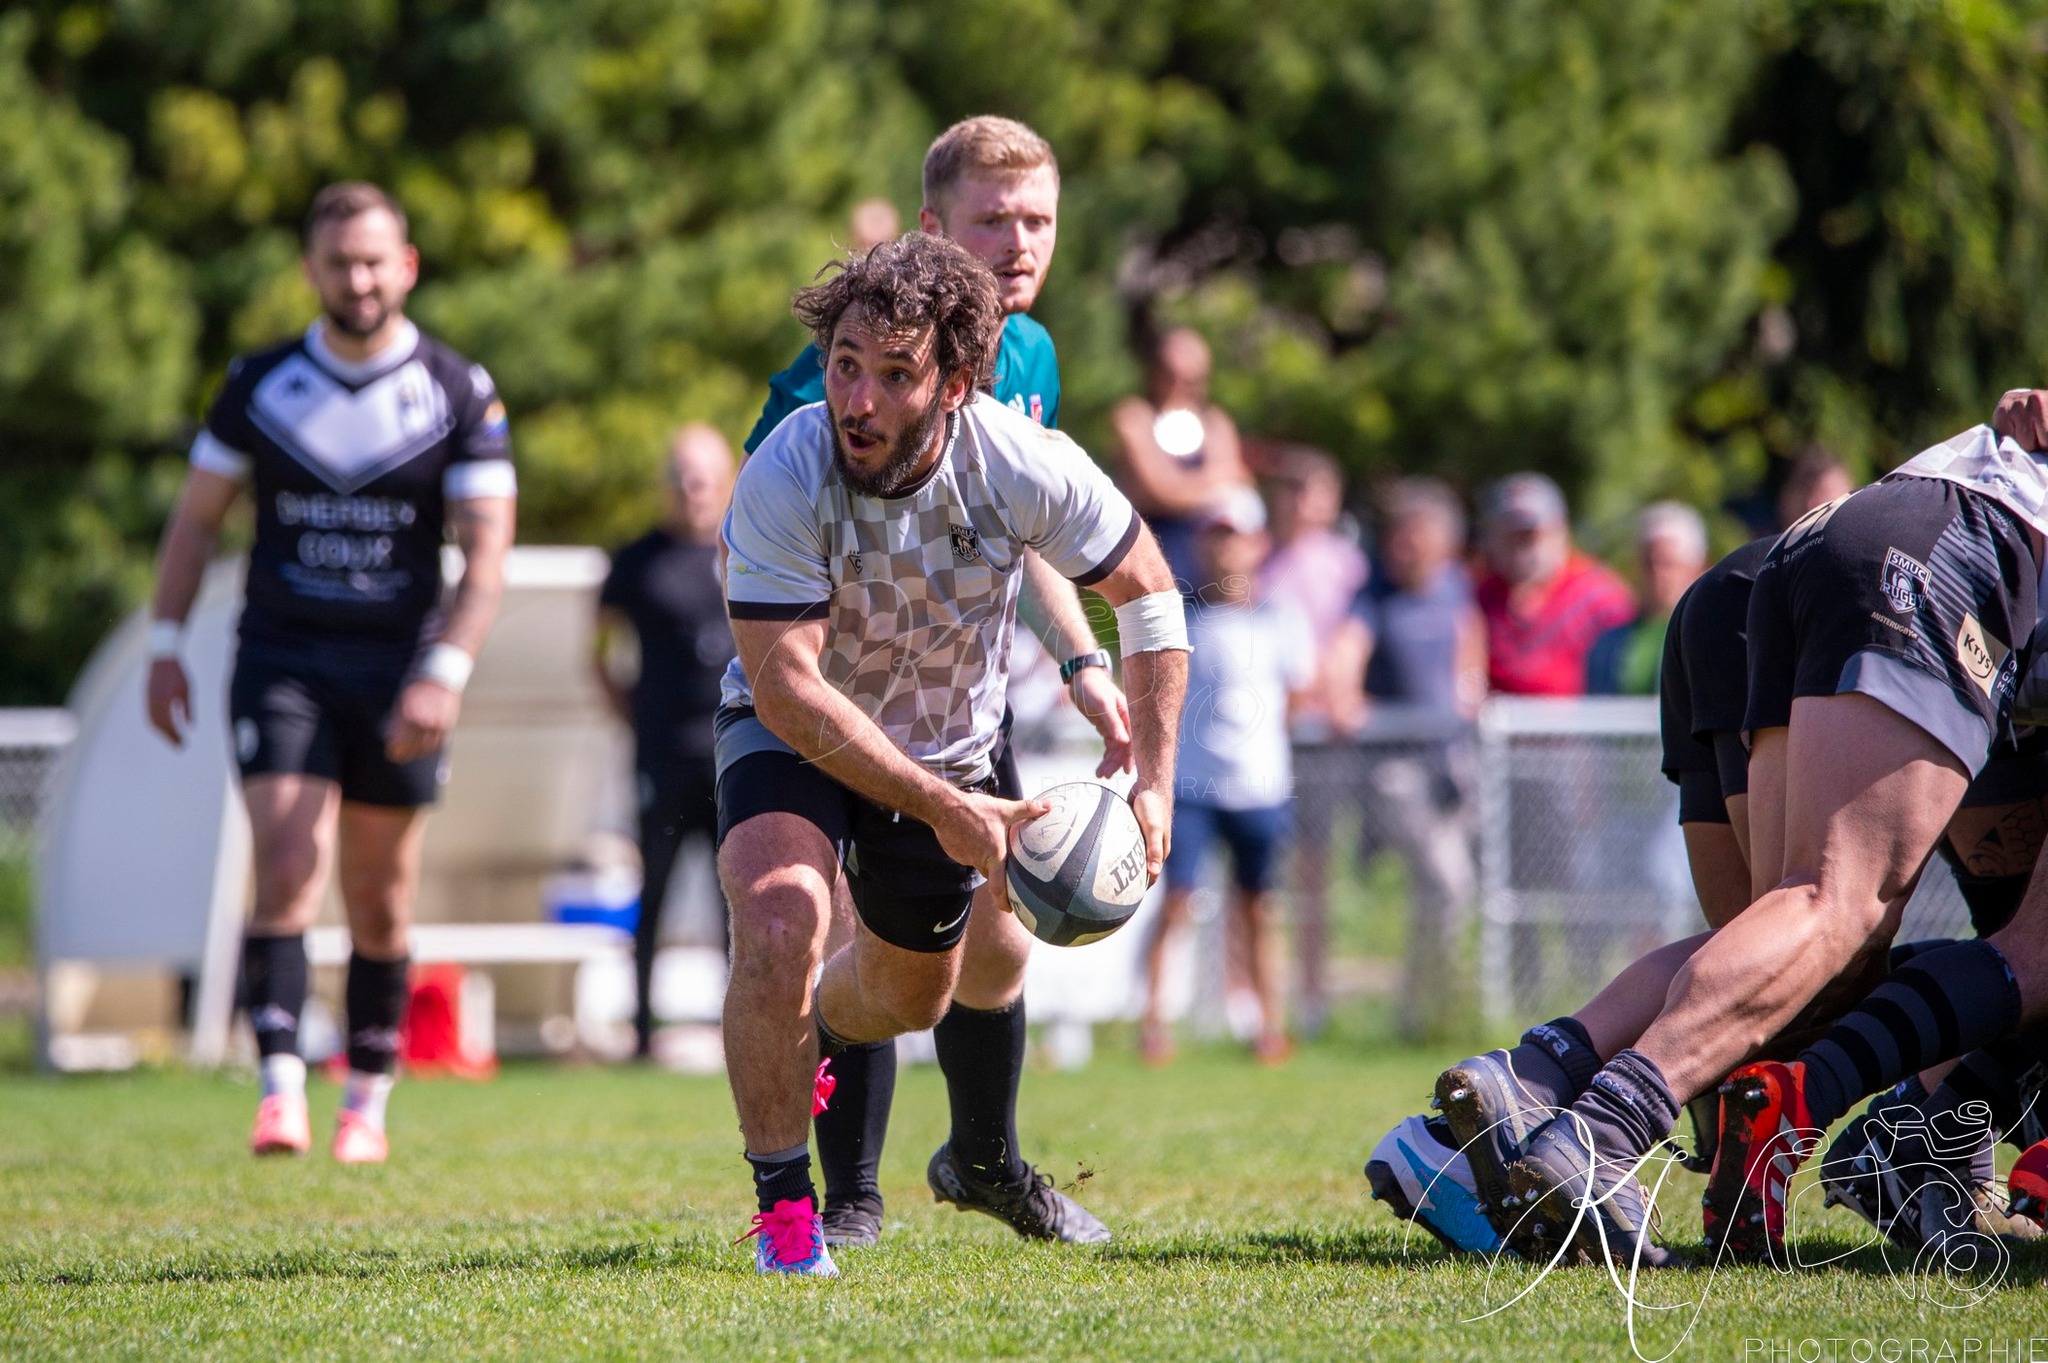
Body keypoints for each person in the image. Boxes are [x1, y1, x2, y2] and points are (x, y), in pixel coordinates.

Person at [1425, 411, 2048, 1268]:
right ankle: (1603, 1128)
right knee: (1835, 907)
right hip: (1933, 549)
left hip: (1802, 556)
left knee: (1805, 942)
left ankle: (1535, 1077)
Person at [717, 232, 1188, 1275]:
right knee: (778, 910)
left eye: (893, 376)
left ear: (957, 384)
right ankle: (786, 1217)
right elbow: (785, 688)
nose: (858, 401)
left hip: (952, 741)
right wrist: (937, 802)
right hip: (794, 727)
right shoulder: (785, 469)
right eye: (845, 364)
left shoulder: (1020, 463)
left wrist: (1154, 780)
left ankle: (809, 1028)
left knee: (905, 1000)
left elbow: (1149, 595)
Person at [143, 182, 516, 1164]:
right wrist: (164, 644)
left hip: (400, 668)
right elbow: (194, 522)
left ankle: (366, 1096)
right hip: (284, 655)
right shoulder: (258, 383)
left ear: (406, 266)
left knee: (380, 894)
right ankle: (277, 1086)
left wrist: (444, 668)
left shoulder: (456, 390)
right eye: (338, 261)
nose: (357, 278)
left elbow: (486, 554)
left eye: (373, 259)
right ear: (311, 270)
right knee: (287, 858)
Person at [1139, 487, 1315, 1065]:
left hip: (1259, 789)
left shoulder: (1281, 621)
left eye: (1233, 535)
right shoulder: (1180, 617)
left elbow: (1296, 698)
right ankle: (1154, 1024)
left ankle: (1270, 1024)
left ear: (1257, 544)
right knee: (1177, 903)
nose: (1223, 549)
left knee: (1260, 907)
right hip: (1192, 789)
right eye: (1213, 535)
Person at [593, 425, 738, 1058]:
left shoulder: (751, 549)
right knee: (651, 890)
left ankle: (741, 1022)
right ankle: (644, 1032)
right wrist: (629, 714)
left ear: (726, 481)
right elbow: (598, 650)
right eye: (681, 478)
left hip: (735, 755)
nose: (692, 491)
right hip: (661, 754)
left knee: (737, 896)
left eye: (703, 479)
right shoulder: (634, 562)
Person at [1326, 478, 1486, 1042]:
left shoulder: (1455, 590)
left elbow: (1471, 658)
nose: (1404, 548)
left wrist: (1472, 699)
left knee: (1449, 890)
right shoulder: (1372, 598)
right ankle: (1424, 1006)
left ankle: (1437, 1004)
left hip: (1452, 766)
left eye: (1415, 537)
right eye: (1397, 537)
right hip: (1396, 773)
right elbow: (1345, 660)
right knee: (1447, 882)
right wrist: (1345, 699)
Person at [1110, 327, 1253, 592]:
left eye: (1193, 380)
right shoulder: (1135, 418)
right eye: (1171, 375)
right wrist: (1213, 485)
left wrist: (1184, 486)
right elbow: (1162, 492)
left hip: (1211, 578)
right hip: (1150, 568)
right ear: (1155, 373)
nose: (1181, 388)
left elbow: (1239, 481)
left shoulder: (1216, 422)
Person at [1473, 473, 1635, 697]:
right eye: (1510, 535)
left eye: (1530, 535)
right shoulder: (1478, 596)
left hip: (1580, 726)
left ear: (1560, 530)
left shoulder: (1599, 597)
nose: (1520, 548)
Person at [1585, 501, 1709, 696]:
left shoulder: (1707, 639)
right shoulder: (1606, 645)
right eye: (1649, 563)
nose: (1657, 574)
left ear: (1696, 567)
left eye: (1668, 563)